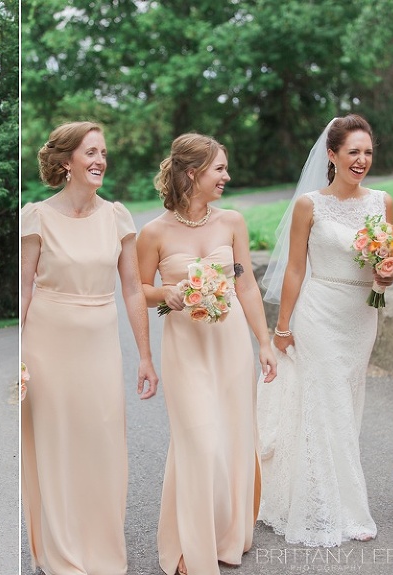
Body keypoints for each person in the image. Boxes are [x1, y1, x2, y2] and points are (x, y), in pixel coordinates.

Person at [21, 121, 159, 575]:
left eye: (103, 152)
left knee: (102, 441)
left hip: (100, 343)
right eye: (91, 152)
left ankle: (101, 549)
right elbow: (23, 290)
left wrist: (145, 356)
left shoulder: (117, 216)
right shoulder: (36, 216)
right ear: (67, 162)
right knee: (57, 442)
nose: (100, 160)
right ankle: (62, 553)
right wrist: (16, 357)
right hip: (46, 343)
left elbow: (133, 289)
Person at [136, 133, 276, 575]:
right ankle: (189, 546)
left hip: (230, 344)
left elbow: (245, 285)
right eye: (219, 169)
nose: (226, 177)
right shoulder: (153, 232)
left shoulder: (232, 222)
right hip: (185, 348)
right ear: (193, 173)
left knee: (232, 436)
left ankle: (227, 534)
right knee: (198, 441)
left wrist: (264, 342)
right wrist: (166, 293)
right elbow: (138, 291)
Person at [258, 114, 392, 546]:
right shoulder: (309, 205)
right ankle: (337, 508)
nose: (361, 160)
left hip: (361, 317)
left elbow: (385, 262)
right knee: (326, 401)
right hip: (319, 313)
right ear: (332, 155)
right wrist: (282, 326)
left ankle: (329, 493)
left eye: (367, 152)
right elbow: (296, 269)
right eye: (353, 152)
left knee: (347, 403)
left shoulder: (383, 202)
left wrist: (385, 277)